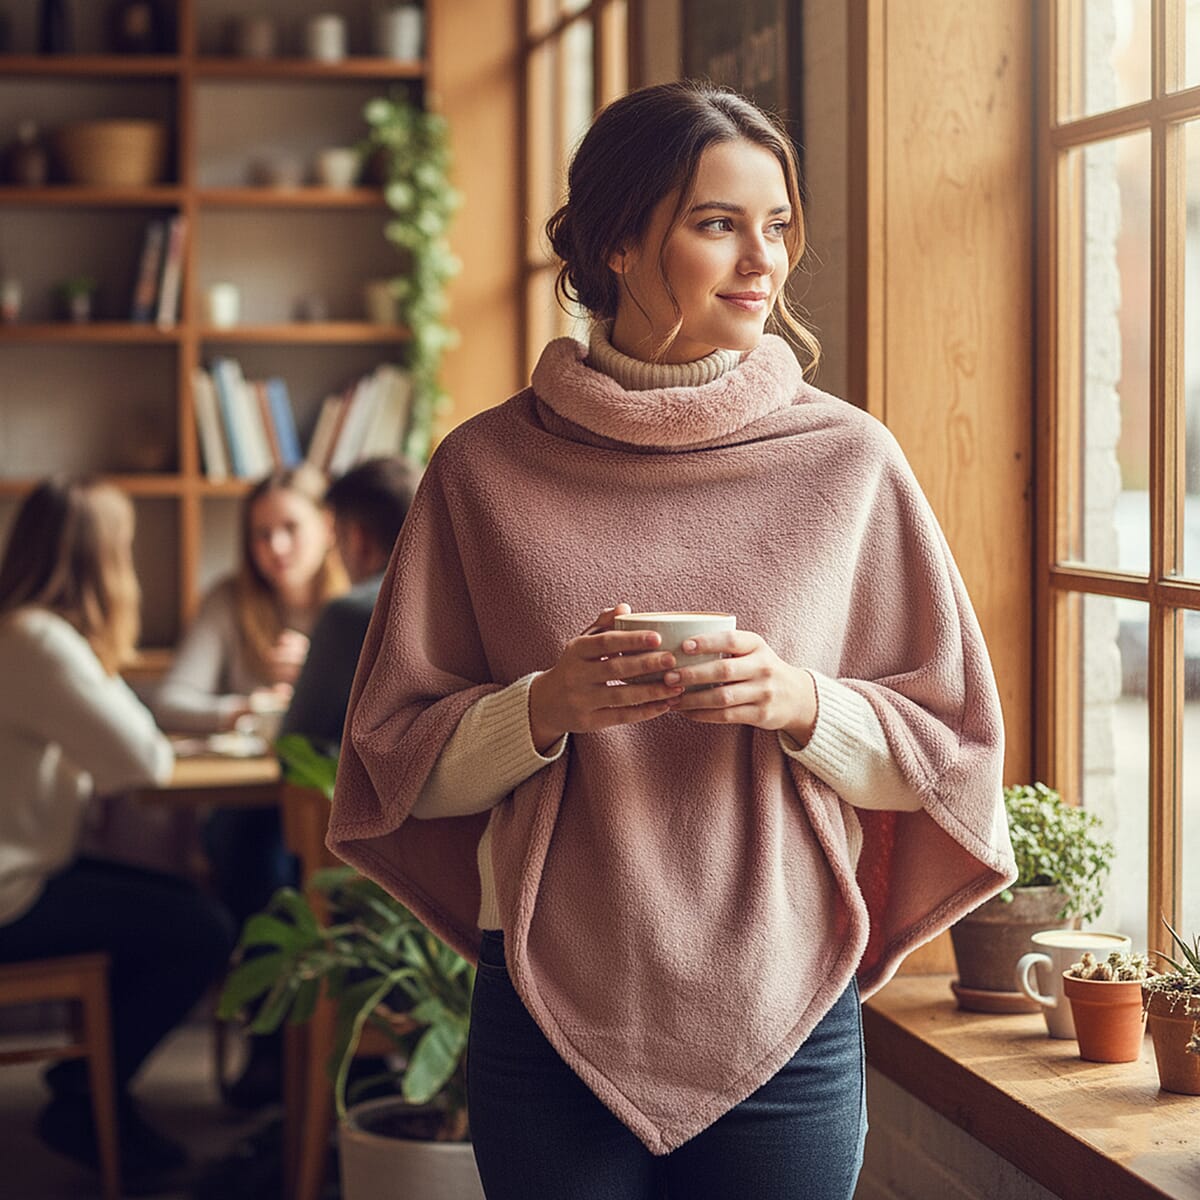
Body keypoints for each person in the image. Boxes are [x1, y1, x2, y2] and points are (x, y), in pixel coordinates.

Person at [328, 81, 1018, 1200]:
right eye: (718, 223)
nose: (764, 260)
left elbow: (954, 761)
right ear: (615, 241)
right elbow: (393, 764)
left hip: (785, 1003)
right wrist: (543, 710)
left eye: (778, 224)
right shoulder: (482, 471)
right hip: (546, 1006)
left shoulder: (850, 463)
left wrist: (801, 703)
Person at [0, 477, 235, 1195]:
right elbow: (140, 759)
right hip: (13, 896)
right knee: (199, 925)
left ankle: (91, 1086)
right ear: (97, 558)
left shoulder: (22, 631)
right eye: (123, 548)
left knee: (179, 907)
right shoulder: (38, 639)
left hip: (25, 879)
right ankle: (82, 1094)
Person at [152, 463, 347, 736]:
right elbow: (169, 703)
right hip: (252, 776)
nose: (276, 547)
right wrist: (246, 710)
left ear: (327, 527)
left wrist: (319, 673)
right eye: (262, 534)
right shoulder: (227, 600)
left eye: (291, 528)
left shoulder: (357, 606)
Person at [281, 455, 420, 752]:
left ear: (357, 539)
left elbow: (294, 745)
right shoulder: (464, 603)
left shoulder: (348, 614)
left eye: (338, 538)